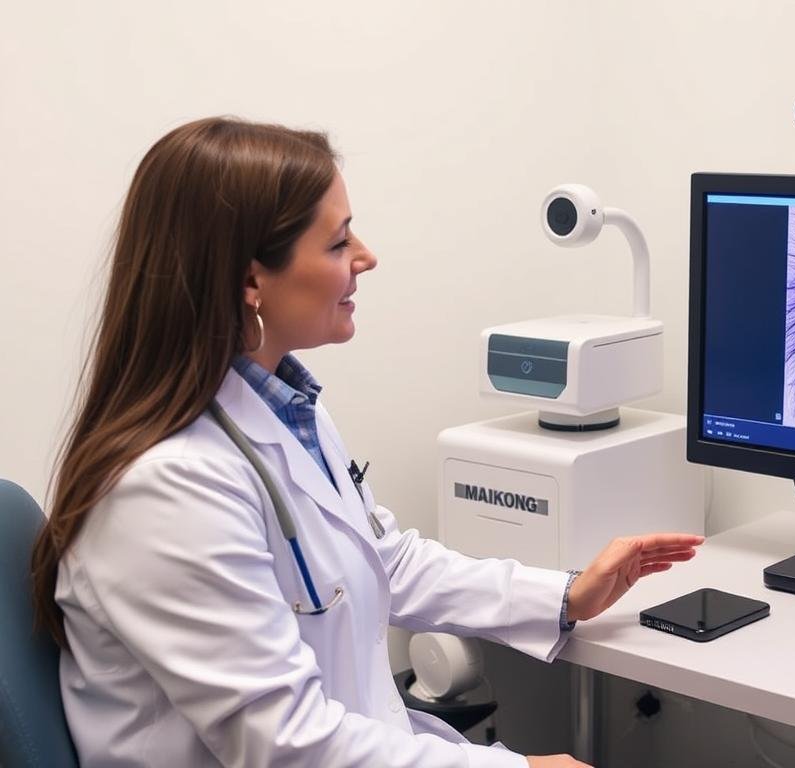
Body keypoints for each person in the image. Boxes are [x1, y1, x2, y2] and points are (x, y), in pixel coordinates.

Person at [29, 116, 703, 768]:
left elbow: (384, 561)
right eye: (336, 242)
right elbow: (287, 746)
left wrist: (563, 595)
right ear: (249, 281)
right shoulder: (165, 490)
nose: (366, 257)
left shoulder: (287, 411)